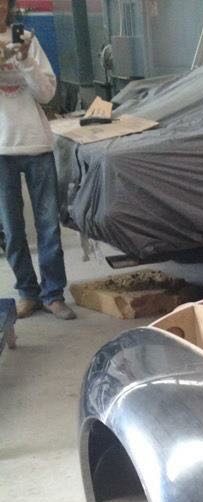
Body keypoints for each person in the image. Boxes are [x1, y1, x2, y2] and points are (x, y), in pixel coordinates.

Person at [0, 0, 75, 319]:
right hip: (1, 149)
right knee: (12, 229)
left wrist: (25, 59)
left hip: (36, 144)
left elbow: (46, 94)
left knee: (48, 225)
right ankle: (27, 292)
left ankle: (53, 294)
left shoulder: (28, 39)